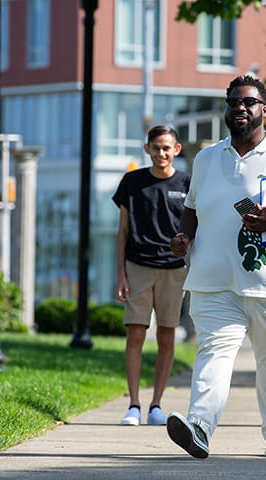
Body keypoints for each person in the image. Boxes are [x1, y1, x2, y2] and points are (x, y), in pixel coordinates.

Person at [166, 75, 266, 458]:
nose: (240, 108)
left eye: (249, 102)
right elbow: (191, 208)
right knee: (213, 353)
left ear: (264, 110)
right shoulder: (206, 158)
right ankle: (200, 427)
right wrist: (184, 238)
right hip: (212, 278)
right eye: (234, 102)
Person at [112, 125, 190, 426]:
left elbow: (194, 232)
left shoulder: (186, 183)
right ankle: (133, 405)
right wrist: (121, 274)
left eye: (167, 148)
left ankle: (156, 405)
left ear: (176, 150)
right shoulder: (132, 182)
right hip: (138, 267)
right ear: (147, 149)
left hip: (175, 271)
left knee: (167, 336)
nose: (161, 153)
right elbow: (122, 231)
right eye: (156, 147)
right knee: (136, 334)